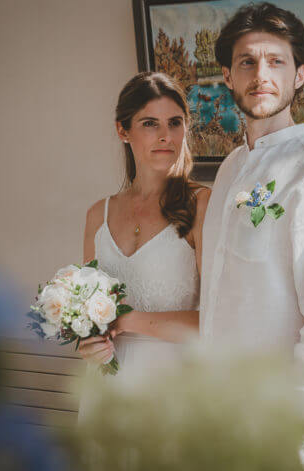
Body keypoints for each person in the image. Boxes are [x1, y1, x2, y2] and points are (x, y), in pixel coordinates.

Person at [200, 3, 304, 471]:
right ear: (228, 76)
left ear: (300, 75)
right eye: (247, 62)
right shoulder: (229, 168)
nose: (261, 75)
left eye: (276, 61)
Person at [76, 72, 210, 386]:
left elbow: (218, 320)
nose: (166, 136)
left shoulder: (202, 206)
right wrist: (88, 344)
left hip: (173, 387)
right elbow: (87, 317)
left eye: (175, 123)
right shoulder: (97, 215)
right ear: (123, 130)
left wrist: (127, 320)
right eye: (150, 123)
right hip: (106, 387)